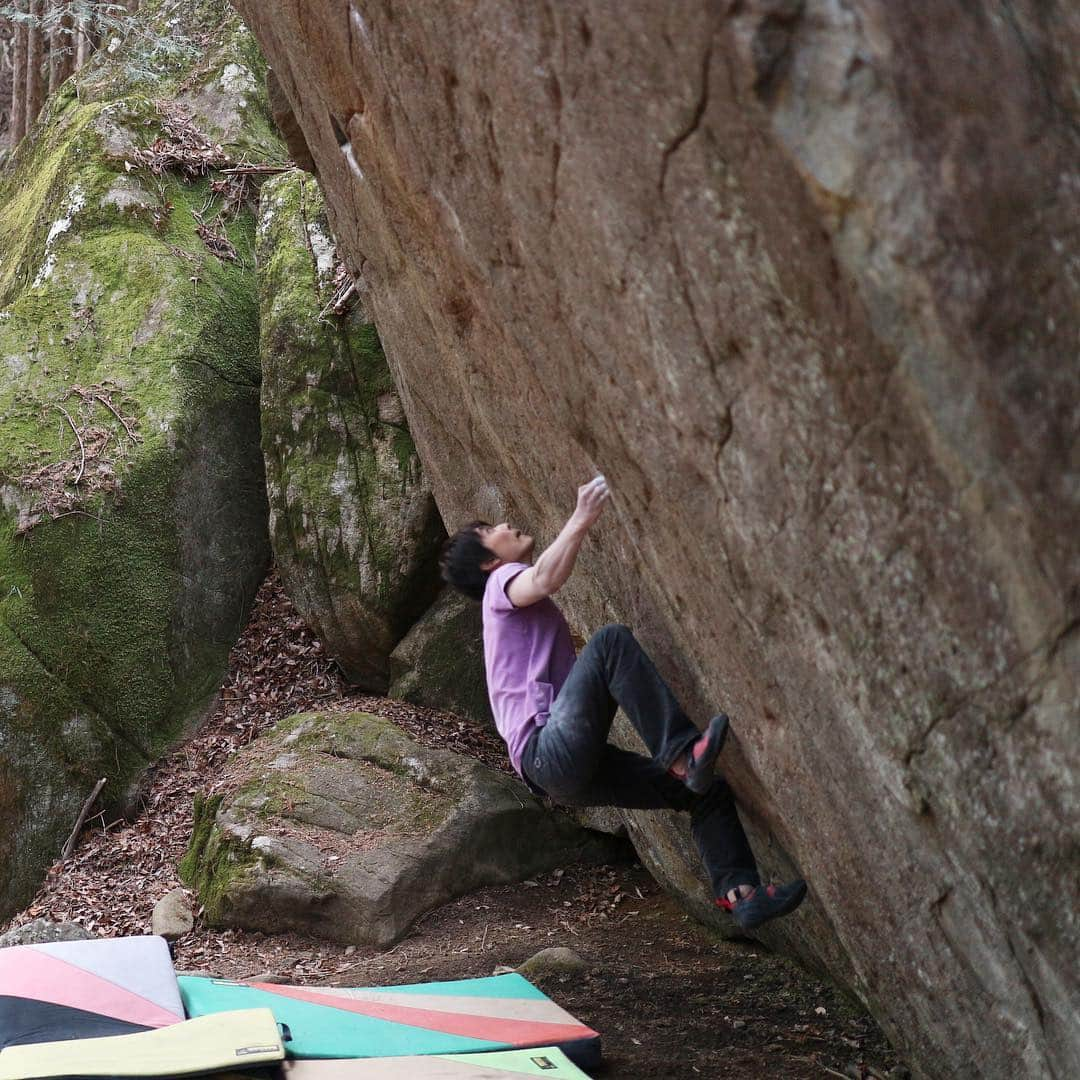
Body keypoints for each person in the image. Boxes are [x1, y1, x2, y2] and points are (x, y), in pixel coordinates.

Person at [440, 476, 806, 930]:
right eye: (490, 529)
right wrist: (582, 517)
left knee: (704, 793)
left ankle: (741, 894)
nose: (505, 522)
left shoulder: (506, 610)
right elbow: (546, 578)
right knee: (611, 643)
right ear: (491, 562)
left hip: (562, 775)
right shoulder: (499, 588)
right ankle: (680, 753)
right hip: (548, 751)